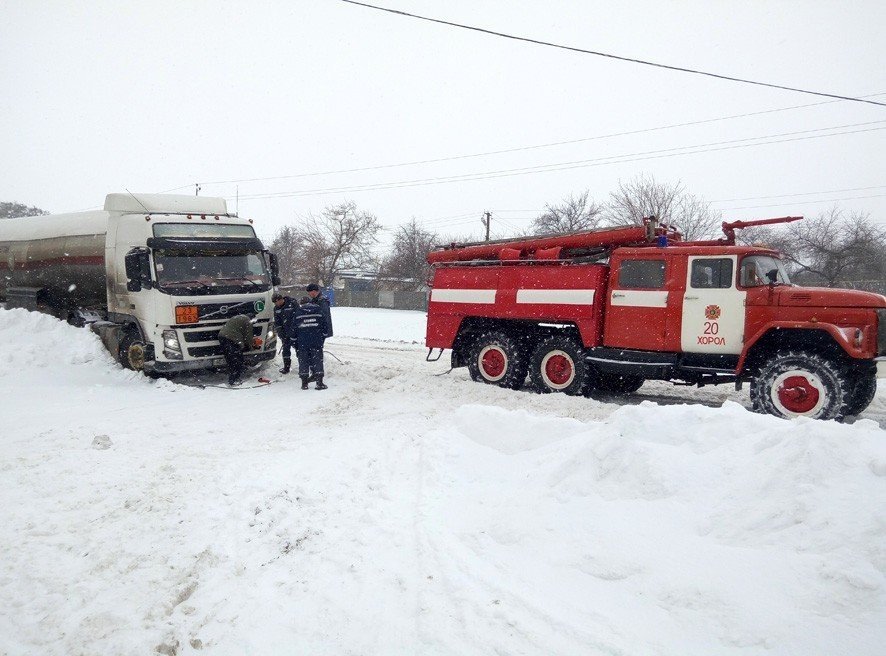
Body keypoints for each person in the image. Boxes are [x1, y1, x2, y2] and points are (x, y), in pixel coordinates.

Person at [291, 296, 328, 390]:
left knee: (303, 361)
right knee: (317, 361)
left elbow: (293, 329)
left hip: (302, 342)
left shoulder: (298, 313)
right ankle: (319, 383)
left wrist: (294, 342)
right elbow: (325, 326)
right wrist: (322, 338)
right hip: (316, 341)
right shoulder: (318, 311)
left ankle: (304, 384)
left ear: (301, 304)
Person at [217, 314, 258, 386]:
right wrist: (252, 348)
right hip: (231, 339)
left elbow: (242, 334)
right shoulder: (248, 321)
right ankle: (234, 380)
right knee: (237, 360)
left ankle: (232, 378)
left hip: (222, 336)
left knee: (230, 359)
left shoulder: (238, 317)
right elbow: (248, 336)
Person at [272, 292, 297, 374]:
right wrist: (281, 334)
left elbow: (298, 317)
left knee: (299, 350)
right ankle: (286, 367)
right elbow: (277, 323)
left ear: (280, 299)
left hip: (295, 332)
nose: (276, 304)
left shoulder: (292, 304)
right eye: (275, 303)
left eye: (276, 302)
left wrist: (294, 330)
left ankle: (304, 367)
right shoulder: (276, 308)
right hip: (285, 334)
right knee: (286, 350)